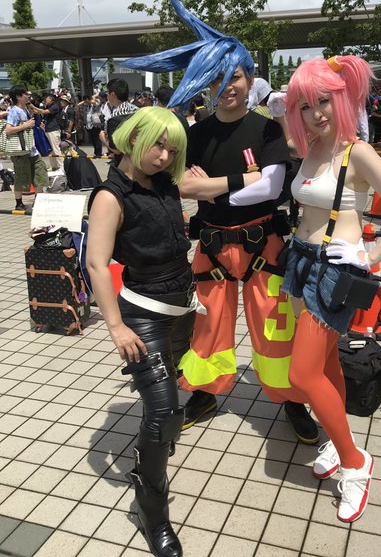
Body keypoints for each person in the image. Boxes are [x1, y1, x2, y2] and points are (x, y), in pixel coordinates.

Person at [124, 0, 319, 445]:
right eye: (216, 77)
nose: (227, 85)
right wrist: (241, 179)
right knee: (209, 326)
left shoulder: (266, 128)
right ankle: (206, 393)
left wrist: (210, 185)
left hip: (264, 245)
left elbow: (271, 187)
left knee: (274, 326)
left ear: (249, 76)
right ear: (204, 83)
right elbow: (180, 185)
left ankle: (291, 398)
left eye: (234, 75)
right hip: (212, 246)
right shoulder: (194, 134)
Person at [282, 55, 381, 522]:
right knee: (323, 366)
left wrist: (369, 254)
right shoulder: (311, 147)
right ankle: (339, 442)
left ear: (341, 100)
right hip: (301, 263)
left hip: (333, 273)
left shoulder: (356, 152)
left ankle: (356, 463)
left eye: (323, 101)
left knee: (302, 375)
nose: (315, 113)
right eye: (305, 105)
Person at [87, 106, 193, 557]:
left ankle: (155, 449)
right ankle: (153, 513)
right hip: (143, 313)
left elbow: (202, 188)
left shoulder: (165, 182)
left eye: (172, 149)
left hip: (181, 306)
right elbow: (96, 263)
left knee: (172, 399)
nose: (165, 156)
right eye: (158, 145)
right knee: (164, 413)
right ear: (133, 138)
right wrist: (115, 327)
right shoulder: (110, 196)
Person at [5, 85, 49, 213]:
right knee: (21, 176)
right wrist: (26, 125)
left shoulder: (25, 109)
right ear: (18, 96)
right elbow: (8, 130)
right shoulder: (14, 111)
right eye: (25, 94)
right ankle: (19, 203)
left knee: (40, 172)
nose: (28, 96)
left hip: (32, 149)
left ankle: (38, 201)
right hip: (20, 151)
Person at [36, 93, 64, 169]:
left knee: (56, 149)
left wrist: (32, 106)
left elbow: (44, 112)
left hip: (54, 130)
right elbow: (41, 113)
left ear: (51, 99)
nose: (45, 100)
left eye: (46, 98)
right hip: (48, 130)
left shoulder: (55, 106)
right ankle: (54, 166)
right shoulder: (47, 106)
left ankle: (61, 166)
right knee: (50, 149)